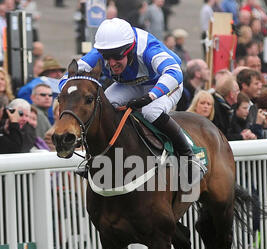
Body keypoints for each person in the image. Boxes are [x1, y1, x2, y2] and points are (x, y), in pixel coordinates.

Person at [60, 17, 199, 184]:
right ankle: (93, 158)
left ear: (130, 48)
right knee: (101, 106)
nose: (111, 63)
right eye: (106, 56)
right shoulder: (100, 52)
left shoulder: (148, 48)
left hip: (164, 83)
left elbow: (174, 73)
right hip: (130, 84)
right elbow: (65, 79)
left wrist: (150, 96)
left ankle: (188, 156)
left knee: (150, 111)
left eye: (116, 56)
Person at [212, 75, 240, 139]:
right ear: (231, 94)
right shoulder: (214, 107)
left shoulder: (230, 107)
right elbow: (221, 137)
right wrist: (241, 137)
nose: (239, 93)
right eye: (237, 90)